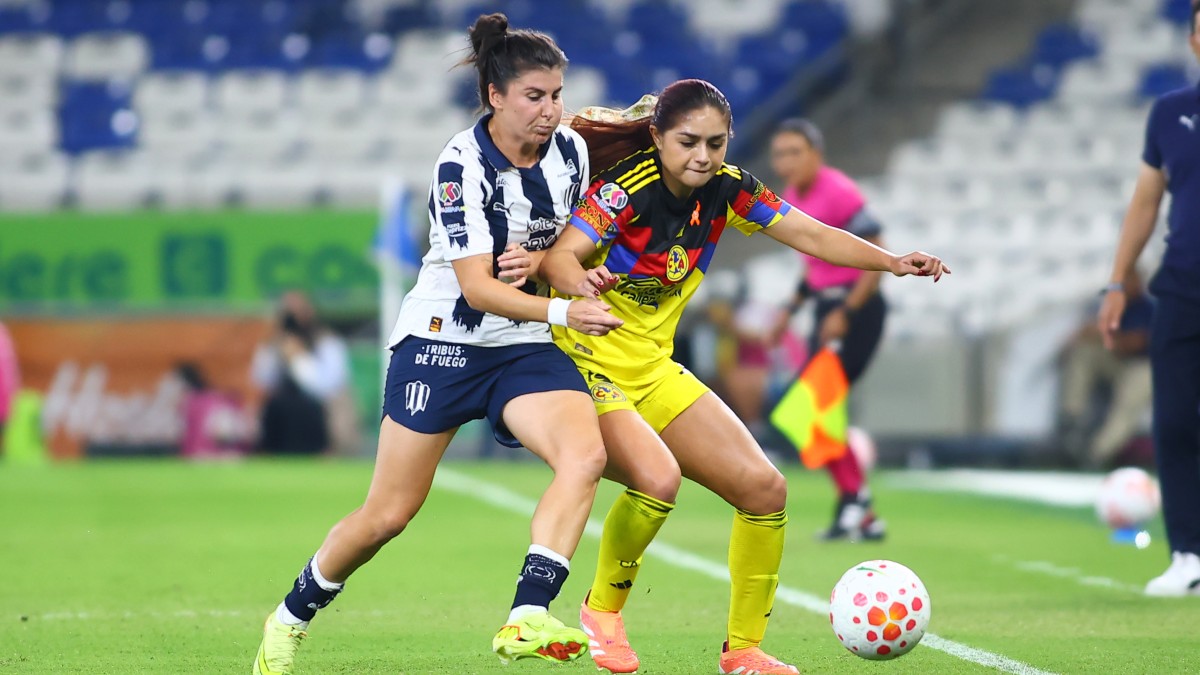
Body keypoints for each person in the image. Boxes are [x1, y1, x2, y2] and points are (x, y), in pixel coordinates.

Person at [535, 80, 948, 674]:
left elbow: (807, 232)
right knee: (658, 481)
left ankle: (745, 651)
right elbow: (560, 256)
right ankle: (602, 613)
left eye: (716, 143)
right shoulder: (624, 189)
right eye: (687, 142)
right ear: (656, 136)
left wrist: (889, 261)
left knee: (765, 490)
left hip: (651, 368)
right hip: (585, 366)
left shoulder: (729, 191)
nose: (702, 156)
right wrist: (579, 281)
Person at [251, 14, 623, 674]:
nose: (551, 110)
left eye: (558, 94)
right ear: (495, 95)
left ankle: (527, 613)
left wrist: (564, 269)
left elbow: (554, 248)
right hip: (442, 343)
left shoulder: (571, 152)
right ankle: (288, 617)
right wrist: (568, 307)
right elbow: (478, 290)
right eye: (535, 96)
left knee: (584, 454)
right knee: (388, 514)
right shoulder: (460, 164)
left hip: (525, 343)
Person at [1097, 0, 1200, 598]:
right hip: (1182, 290)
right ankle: (1188, 555)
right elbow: (1144, 203)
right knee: (1175, 424)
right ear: (1192, 42)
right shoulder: (1170, 114)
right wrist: (1117, 281)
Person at [767, 118, 890, 541]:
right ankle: (857, 508)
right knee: (815, 412)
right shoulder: (793, 196)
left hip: (856, 311)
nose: (784, 162)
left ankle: (857, 502)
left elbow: (875, 257)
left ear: (816, 154)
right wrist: (790, 309)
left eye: (793, 152)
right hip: (827, 311)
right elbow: (817, 267)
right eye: (779, 154)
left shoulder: (837, 190)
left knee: (808, 408)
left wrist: (847, 313)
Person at [1058, 270, 1153, 469]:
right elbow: (1085, 333)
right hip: (1116, 362)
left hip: (1140, 366)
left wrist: (1105, 335)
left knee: (1133, 398)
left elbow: (1136, 343)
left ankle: (1097, 453)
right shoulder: (1111, 304)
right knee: (1085, 352)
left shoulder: (1148, 307)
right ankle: (1072, 418)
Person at [250, 290, 350, 455]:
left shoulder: (328, 343)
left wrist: (298, 359)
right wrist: (275, 346)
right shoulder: (274, 344)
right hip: (281, 420)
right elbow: (261, 380)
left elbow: (327, 388)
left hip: (320, 417)